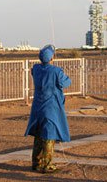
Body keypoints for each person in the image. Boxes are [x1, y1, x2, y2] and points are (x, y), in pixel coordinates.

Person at [24, 44, 72, 173]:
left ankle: (36, 162)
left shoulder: (36, 69)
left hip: (38, 106)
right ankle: (47, 164)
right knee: (49, 134)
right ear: (51, 58)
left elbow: (34, 71)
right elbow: (67, 82)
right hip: (51, 106)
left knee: (39, 134)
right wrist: (58, 71)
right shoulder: (56, 71)